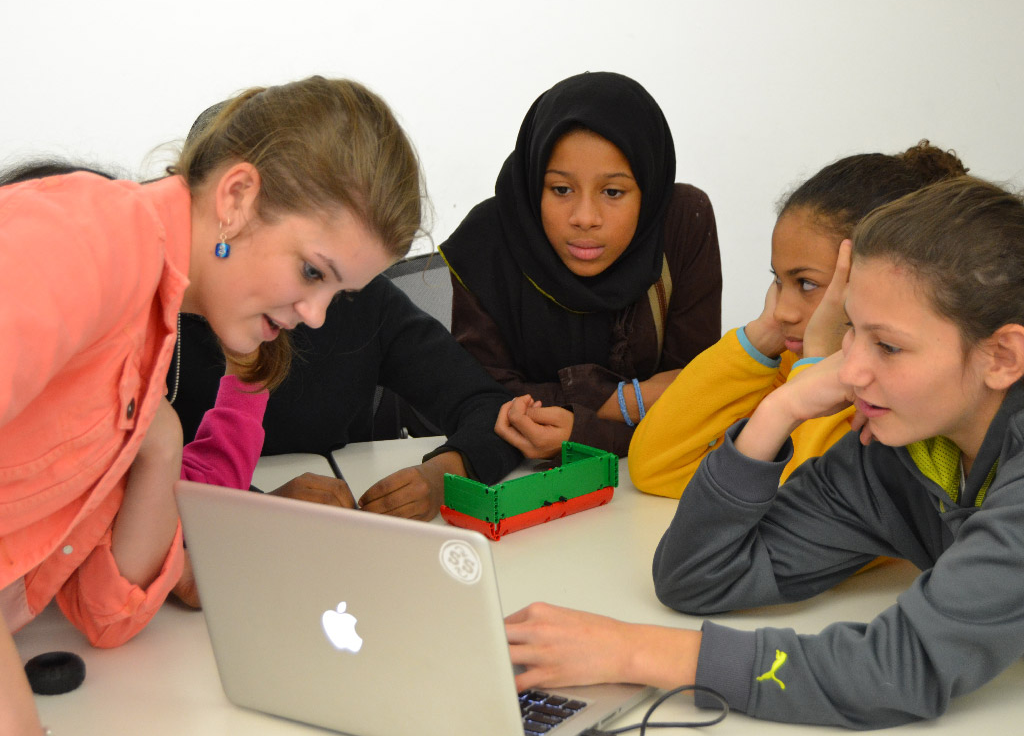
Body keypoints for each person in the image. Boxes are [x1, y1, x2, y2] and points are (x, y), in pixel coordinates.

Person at [0, 75, 422, 736]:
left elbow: (105, 613)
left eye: (337, 294)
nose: (316, 316)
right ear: (236, 198)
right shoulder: (88, 236)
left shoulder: (151, 325)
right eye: (313, 273)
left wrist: (161, 448)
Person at [506, 175, 1024, 729]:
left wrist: (634, 652)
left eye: (889, 346)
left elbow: (897, 670)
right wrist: (780, 410)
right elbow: (697, 576)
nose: (849, 370)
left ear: (1002, 357)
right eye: (851, 330)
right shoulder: (898, 451)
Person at [169, 104, 522, 525]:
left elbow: (490, 407)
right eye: (311, 270)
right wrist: (259, 509)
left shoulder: (359, 301)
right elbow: (125, 483)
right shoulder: (146, 317)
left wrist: (445, 475)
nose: (314, 313)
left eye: (339, 281)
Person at [629, 141, 968, 497]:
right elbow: (657, 467)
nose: (782, 311)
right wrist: (760, 339)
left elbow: (804, 512)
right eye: (778, 280)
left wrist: (817, 366)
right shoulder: (789, 367)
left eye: (806, 283)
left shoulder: (910, 400)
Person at [440, 71, 722, 459]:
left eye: (613, 192)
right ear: (533, 183)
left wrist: (585, 431)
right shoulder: (486, 243)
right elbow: (483, 402)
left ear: (649, 188)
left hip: (646, 479)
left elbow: (698, 401)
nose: (585, 218)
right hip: (512, 477)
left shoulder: (679, 224)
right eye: (561, 189)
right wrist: (630, 401)